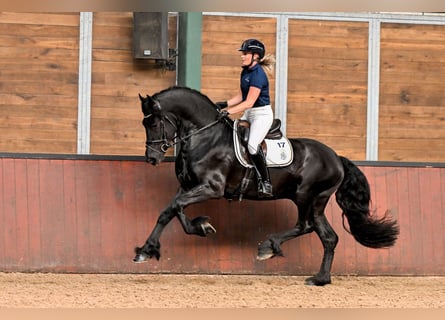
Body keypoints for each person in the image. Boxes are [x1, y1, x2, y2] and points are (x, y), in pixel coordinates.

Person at [216, 38, 276, 198]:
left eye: (245, 53)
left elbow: (249, 102)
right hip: (250, 113)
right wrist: (223, 104)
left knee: (251, 145)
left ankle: (265, 182)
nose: (242, 56)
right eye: (242, 53)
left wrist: (229, 112)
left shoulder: (258, 75)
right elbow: (242, 95)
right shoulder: (246, 71)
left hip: (261, 115)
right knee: (232, 137)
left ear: (255, 56)